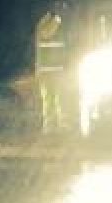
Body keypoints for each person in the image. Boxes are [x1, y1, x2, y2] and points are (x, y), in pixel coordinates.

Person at [35, 1, 72, 133]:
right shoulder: (47, 22)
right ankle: (50, 125)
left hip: (56, 69)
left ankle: (60, 124)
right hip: (48, 70)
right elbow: (46, 34)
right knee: (50, 99)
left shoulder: (55, 22)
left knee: (60, 97)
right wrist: (57, 20)